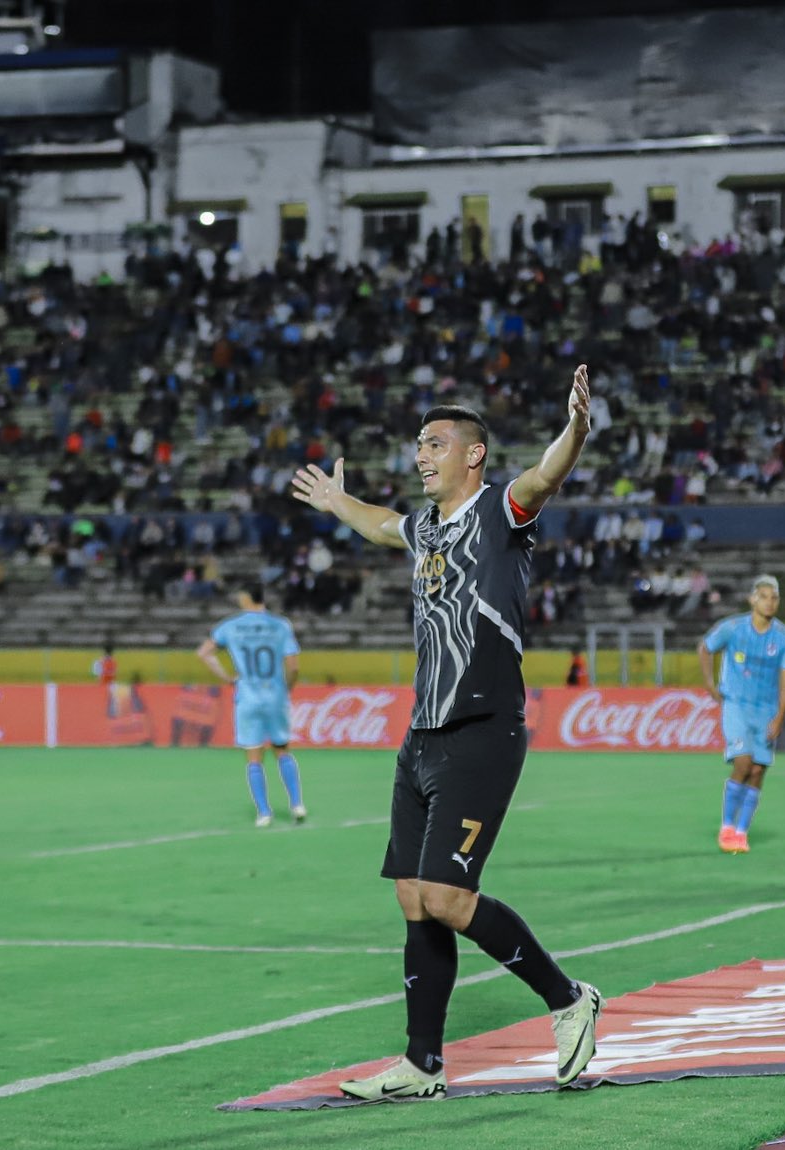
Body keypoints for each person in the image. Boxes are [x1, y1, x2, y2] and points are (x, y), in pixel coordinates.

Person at [292, 365, 604, 1103]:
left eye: (433, 444)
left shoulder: (500, 510)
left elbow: (545, 476)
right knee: (411, 895)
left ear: (472, 455)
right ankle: (423, 1064)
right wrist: (340, 504)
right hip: (422, 735)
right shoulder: (426, 528)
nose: (419, 455)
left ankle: (569, 1001)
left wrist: (578, 430)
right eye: (416, 445)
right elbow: (380, 523)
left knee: (447, 896)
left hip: (482, 729)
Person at [699, 575, 785, 855]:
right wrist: (709, 683)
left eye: (774, 597)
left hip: (766, 709)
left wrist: (780, 716)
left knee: (758, 771)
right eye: (764, 596)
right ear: (752, 599)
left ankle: (742, 832)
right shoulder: (732, 628)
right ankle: (727, 827)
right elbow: (705, 648)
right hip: (737, 706)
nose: (769, 602)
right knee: (743, 763)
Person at [197, 584, 306, 827]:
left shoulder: (230, 625)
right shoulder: (280, 625)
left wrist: (226, 677)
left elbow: (204, 653)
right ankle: (297, 804)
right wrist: (286, 689)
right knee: (282, 750)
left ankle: (264, 812)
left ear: (246, 599)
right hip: (275, 694)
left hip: (247, 696)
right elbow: (294, 666)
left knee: (254, 757)